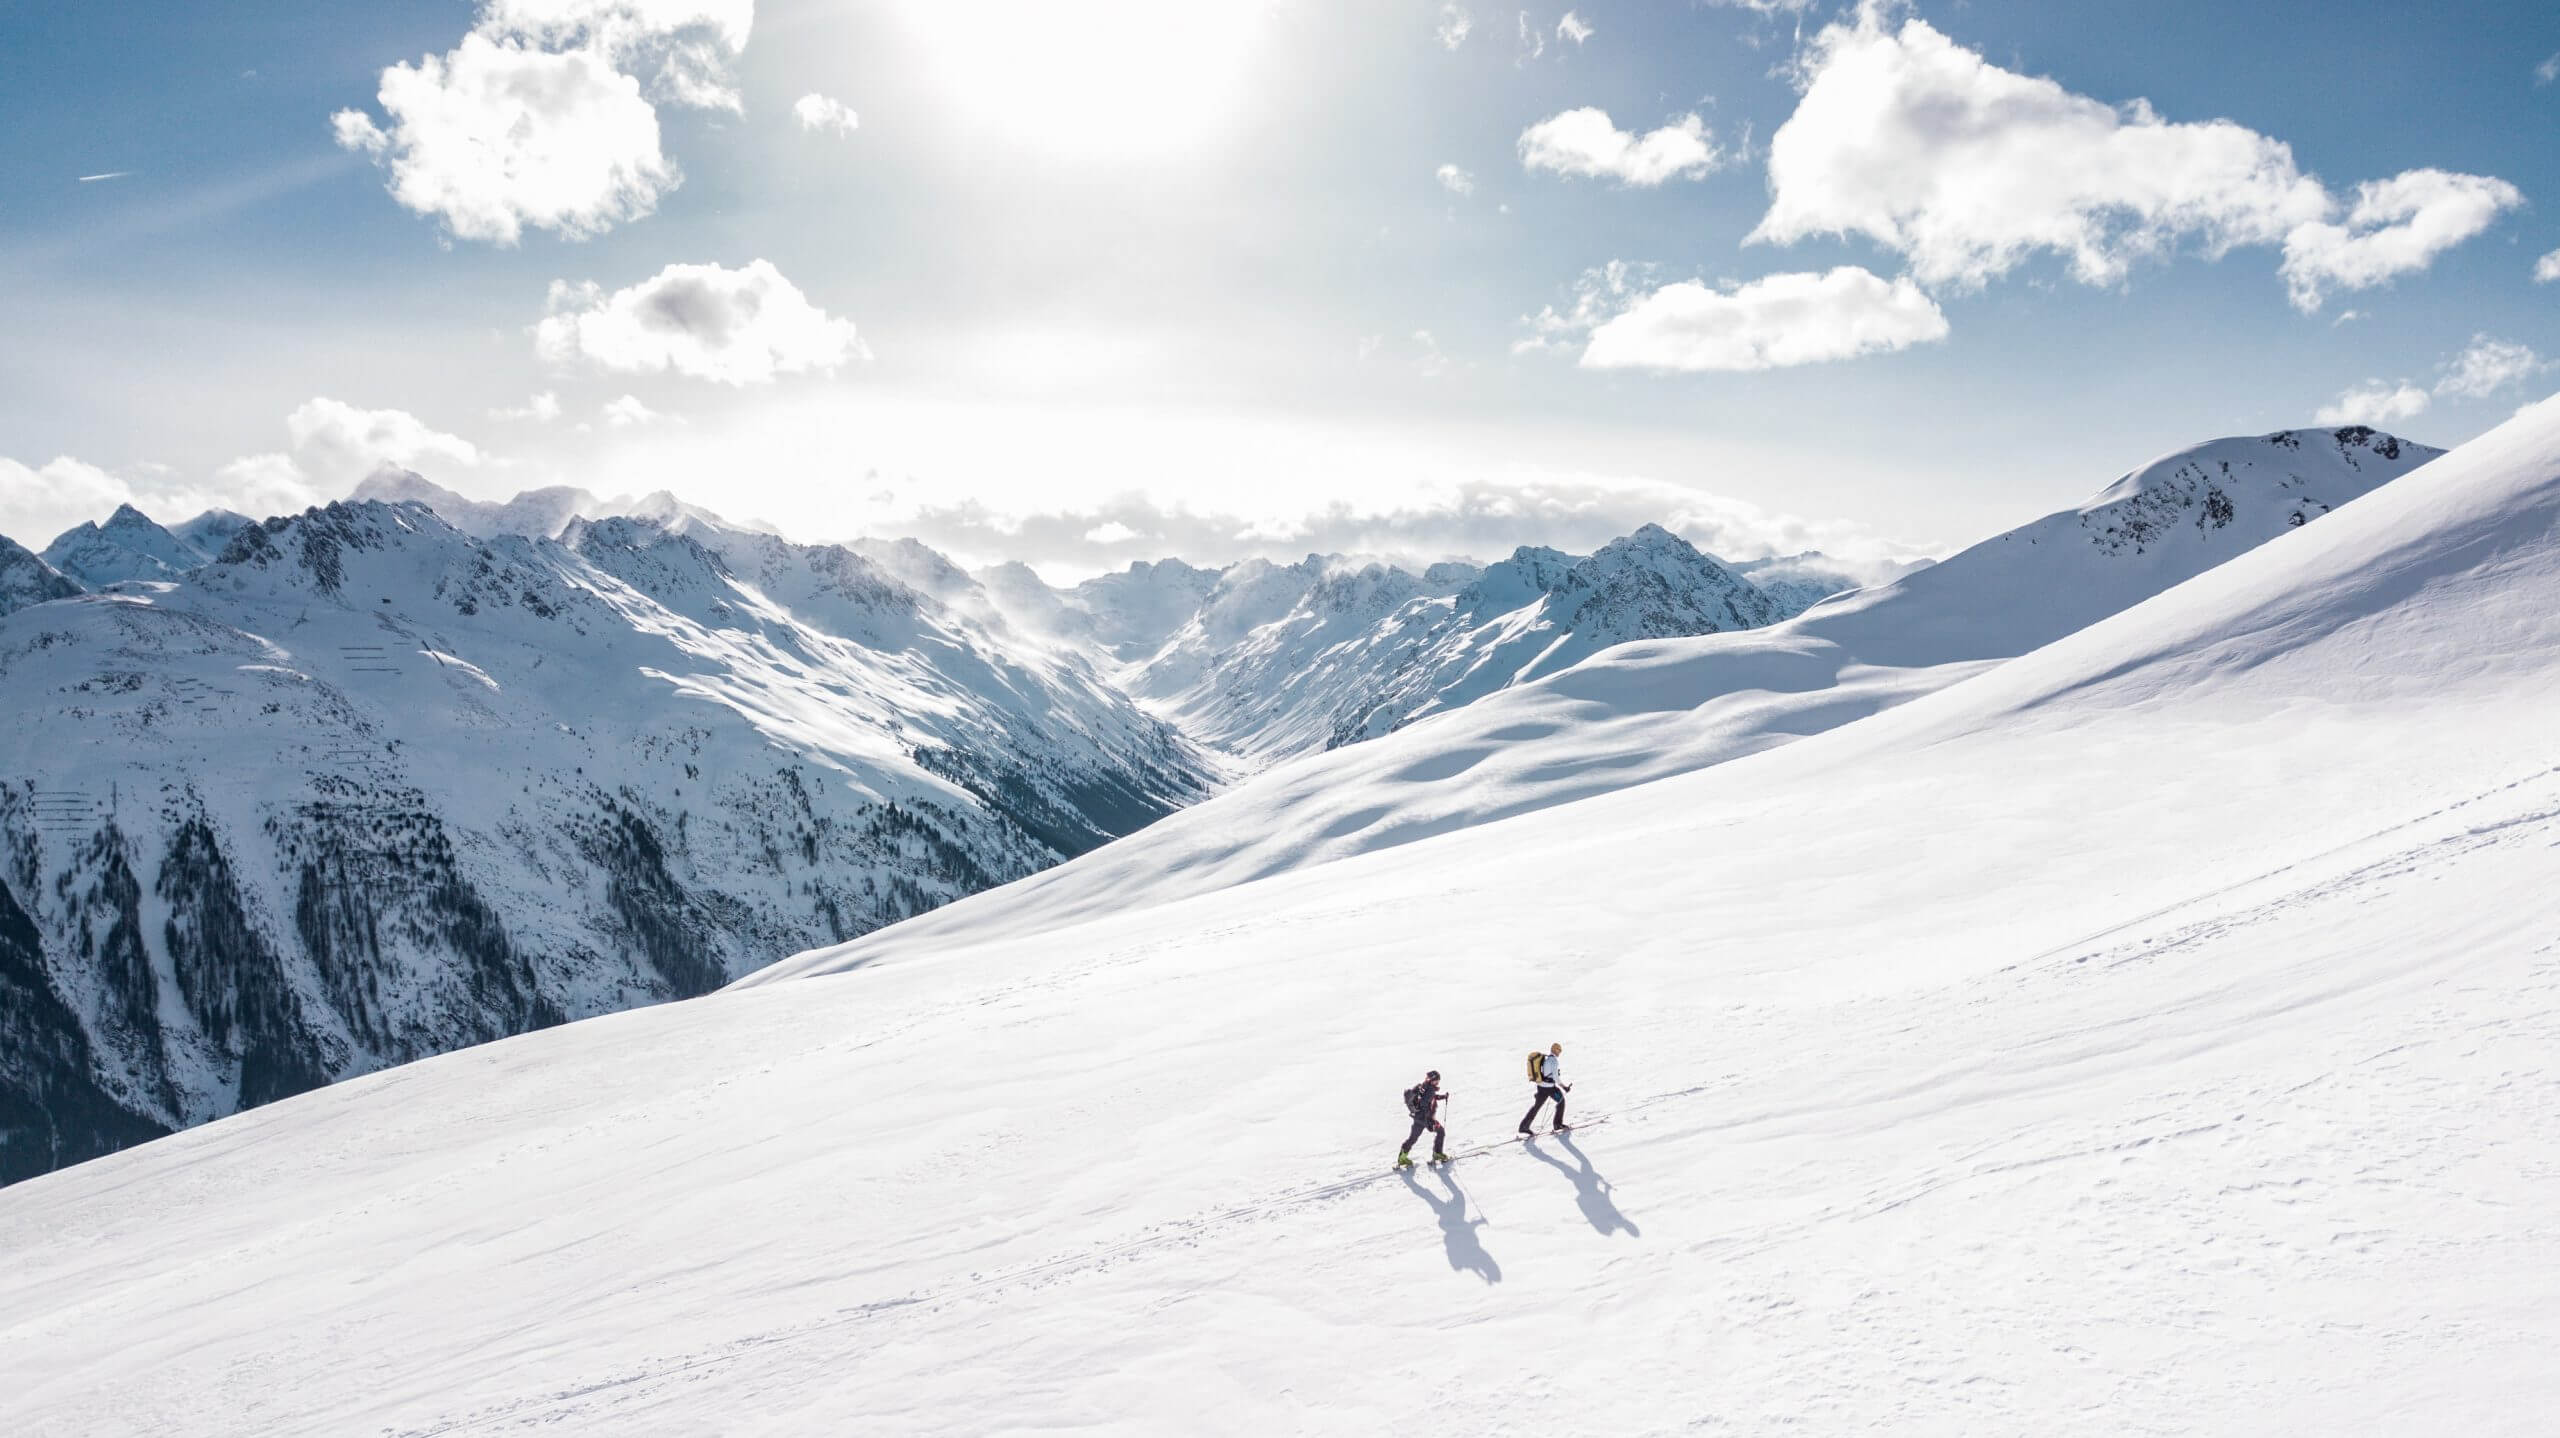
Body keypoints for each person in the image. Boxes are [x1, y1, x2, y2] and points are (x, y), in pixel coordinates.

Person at [1397, 1070, 1451, 1166]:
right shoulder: (1430, 1089)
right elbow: (1425, 1102)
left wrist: (1443, 1097)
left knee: (1412, 1138)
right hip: (1426, 1119)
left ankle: (1402, 1158)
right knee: (1441, 1131)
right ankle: (1437, 1154)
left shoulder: (1423, 1086)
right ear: (1433, 1080)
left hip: (1417, 1117)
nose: (1438, 1082)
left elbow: (1430, 1098)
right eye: (1437, 1080)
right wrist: (1430, 1119)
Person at [1520, 1041, 1570, 1134]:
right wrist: (1564, 1087)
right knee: (1561, 1101)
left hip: (1541, 1087)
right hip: (1550, 1089)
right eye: (1559, 1050)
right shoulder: (1554, 1061)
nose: (1560, 1052)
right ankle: (1557, 1124)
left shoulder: (1545, 1058)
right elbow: (1555, 1077)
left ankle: (1524, 1126)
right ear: (1555, 1050)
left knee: (1536, 1107)